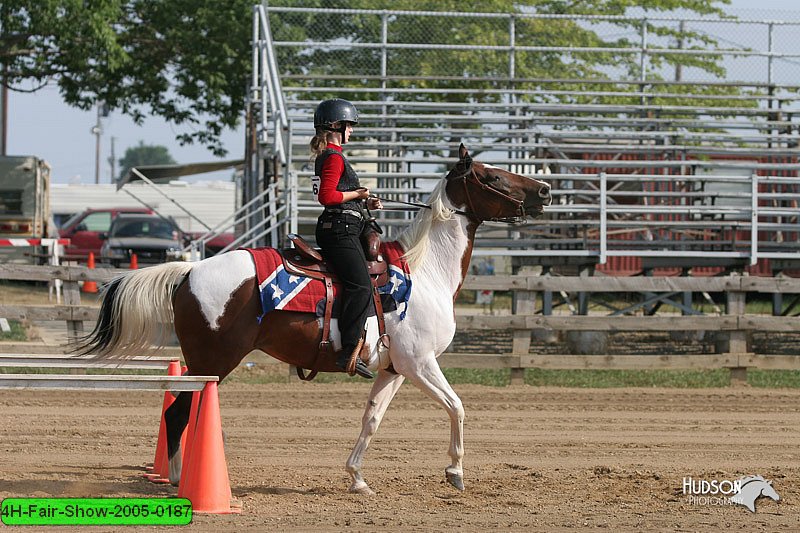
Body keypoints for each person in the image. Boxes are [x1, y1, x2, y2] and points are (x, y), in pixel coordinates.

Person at [310, 98, 382, 379]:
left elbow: (336, 195)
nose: (351, 131)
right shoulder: (334, 157)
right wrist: (359, 194)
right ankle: (350, 349)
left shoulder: (331, 156)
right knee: (361, 286)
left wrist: (366, 204)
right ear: (335, 126)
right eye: (349, 126)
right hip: (340, 230)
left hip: (342, 224)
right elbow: (327, 197)